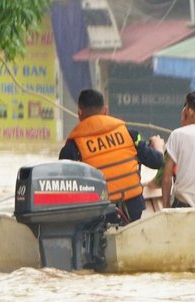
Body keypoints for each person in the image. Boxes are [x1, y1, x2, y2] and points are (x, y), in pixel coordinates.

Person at [59, 88, 165, 222]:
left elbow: (65, 186)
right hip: (133, 211)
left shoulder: (72, 148)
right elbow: (156, 162)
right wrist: (158, 146)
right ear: (106, 110)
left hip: (98, 216)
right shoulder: (129, 134)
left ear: (79, 113)